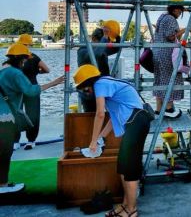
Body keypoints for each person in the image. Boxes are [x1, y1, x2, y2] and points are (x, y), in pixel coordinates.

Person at [73, 64, 150, 217]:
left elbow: (100, 114)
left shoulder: (100, 84)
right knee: (122, 166)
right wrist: (101, 137)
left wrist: (93, 141)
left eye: (85, 89)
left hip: (137, 121)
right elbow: (112, 118)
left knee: (130, 168)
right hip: (134, 123)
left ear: (89, 83)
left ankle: (132, 210)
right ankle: (125, 205)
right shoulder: (107, 87)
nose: (86, 93)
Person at [0, 43, 63, 194]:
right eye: (24, 59)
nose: (25, 62)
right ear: (19, 59)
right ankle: (2, 185)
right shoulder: (16, 73)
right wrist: (53, 83)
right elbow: (31, 91)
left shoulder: (2, 70)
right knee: (4, 152)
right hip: (5, 117)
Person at [13, 34, 50, 151]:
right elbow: (47, 69)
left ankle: (15, 141)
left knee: (16, 114)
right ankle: (31, 141)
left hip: (17, 89)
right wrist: (37, 72)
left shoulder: (14, 58)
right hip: (32, 88)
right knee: (32, 114)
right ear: (28, 45)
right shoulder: (34, 57)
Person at [152, 0, 186, 118]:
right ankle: (169, 109)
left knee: (160, 80)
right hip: (167, 55)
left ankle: (158, 109)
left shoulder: (162, 17)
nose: (180, 13)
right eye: (180, 10)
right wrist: (185, 30)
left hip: (157, 54)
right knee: (170, 79)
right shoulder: (171, 19)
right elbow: (171, 36)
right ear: (175, 9)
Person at [77, 28, 110, 112]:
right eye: (101, 42)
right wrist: (105, 37)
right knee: (91, 114)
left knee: (103, 115)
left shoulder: (101, 48)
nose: (103, 45)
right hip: (88, 89)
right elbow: (96, 54)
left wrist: (116, 36)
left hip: (100, 87)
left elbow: (116, 49)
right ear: (93, 39)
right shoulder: (83, 50)